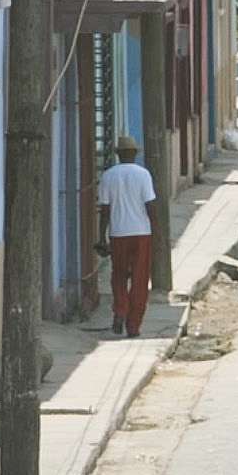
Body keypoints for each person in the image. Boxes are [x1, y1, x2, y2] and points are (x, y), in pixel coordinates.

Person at [97, 135, 161, 337]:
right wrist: (158, 235)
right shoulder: (143, 175)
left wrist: (102, 236)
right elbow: (150, 206)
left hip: (118, 233)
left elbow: (105, 209)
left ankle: (120, 309)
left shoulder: (108, 176)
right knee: (140, 280)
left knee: (119, 275)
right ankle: (133, 326)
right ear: (134, 154)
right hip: (141, 233)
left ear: (118, 154)